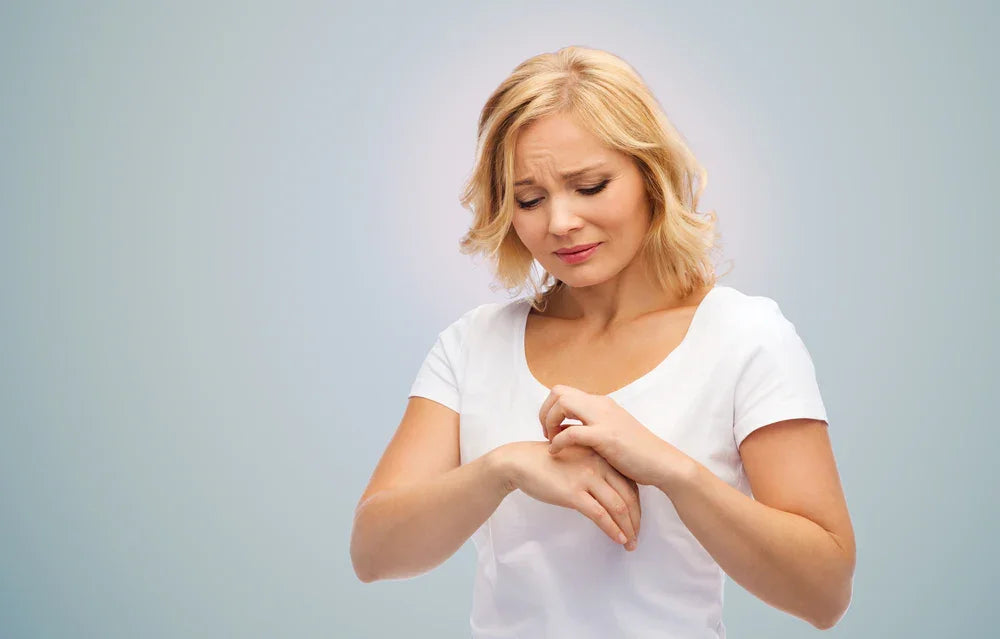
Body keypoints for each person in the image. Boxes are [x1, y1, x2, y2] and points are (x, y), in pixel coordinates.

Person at [350, 46, 855, 637]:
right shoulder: (472, 345)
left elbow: (825, 594)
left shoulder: (746, 338)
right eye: (530, 199)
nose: (559, 222)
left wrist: (673, 471)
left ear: (652, 178)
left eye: (589, 186)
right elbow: (373, 553)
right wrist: (505, 467)